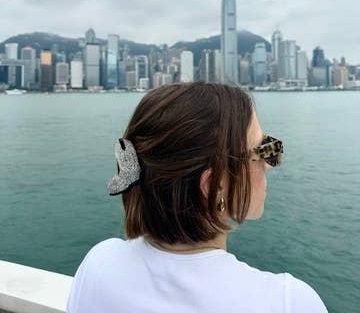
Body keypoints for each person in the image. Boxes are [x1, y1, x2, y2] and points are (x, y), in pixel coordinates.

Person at [66, 81, 327, 312]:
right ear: (215, 185)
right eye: (263, 149)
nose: (270, 163)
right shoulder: (289, 303)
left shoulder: (99, 264)